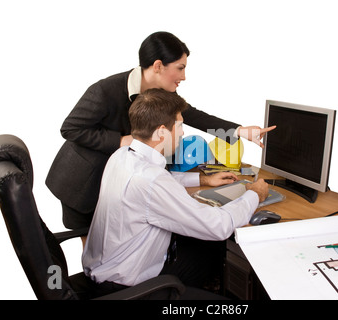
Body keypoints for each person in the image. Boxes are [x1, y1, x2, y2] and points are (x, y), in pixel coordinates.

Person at [46, 31, 275, 232]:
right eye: (180, 68)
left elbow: (192, 115)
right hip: (83, 180)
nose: (184, 76)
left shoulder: (161, 94)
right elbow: (70, 128)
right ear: (158, 66)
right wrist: (123, 140)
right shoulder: (104, 91)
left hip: (122, 177)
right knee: (93, 243)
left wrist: (240, 131)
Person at [82, 88, 269, 299]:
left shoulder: (122, 156)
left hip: (107, 269)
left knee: (209, 248)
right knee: (218, 242)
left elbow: (159, 183)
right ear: (162, 132)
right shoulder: (151, 180)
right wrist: (254, 194)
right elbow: (219, 226)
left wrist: (203, 179)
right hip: (129, 289)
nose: (182, 133)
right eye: (179, 126)